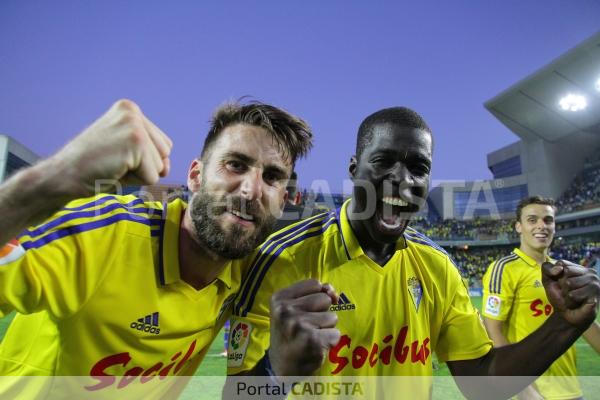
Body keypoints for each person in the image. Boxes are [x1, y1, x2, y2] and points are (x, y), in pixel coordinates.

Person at [225, 107, 600, 399]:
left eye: (418, 168)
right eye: (384, 161)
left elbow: (482, 383)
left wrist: (564, 323)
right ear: (354, 169)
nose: (402, 180)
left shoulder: (436, 266)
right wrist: (276, 371)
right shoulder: (281, 259)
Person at [0, 99, 312, 398]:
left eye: (272, 177)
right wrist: (58, 176)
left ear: (283, 201)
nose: (251, 189)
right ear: (195, 175)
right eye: (235, 165)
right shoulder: (106, 236)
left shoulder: (253, 270)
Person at [482, 196, 600, 400]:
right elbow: (492, 331)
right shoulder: (504, 269)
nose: (541, 226)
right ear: (519, 226)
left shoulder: (566, 270)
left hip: (571, 391)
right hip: (535, 392)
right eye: (532, 220)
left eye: (548, 220)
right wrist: (524, 392)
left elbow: (586, 324)